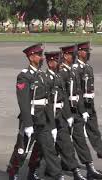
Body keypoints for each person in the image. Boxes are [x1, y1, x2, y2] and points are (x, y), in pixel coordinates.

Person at [7, 44, 64, 180]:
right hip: (31, 119)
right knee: (22, 151)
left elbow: (47, 101)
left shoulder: (43, 76)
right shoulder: (24, 76)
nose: (42, 58)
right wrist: (27, 124)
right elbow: (23, 102)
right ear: (31, 57)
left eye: (41, 55)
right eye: (39, 55)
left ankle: (54, 175)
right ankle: (13, 173)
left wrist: (52, 125)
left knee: (47, 149)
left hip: (43, 120)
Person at [59, 44, 102, 179]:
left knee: (80, 138)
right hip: (66, 111)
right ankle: (39, 168)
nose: (74, 56)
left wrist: (83, 110)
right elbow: (65, 95)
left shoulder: (79, 69)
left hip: (81, 107)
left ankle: (89, 167)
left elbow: (78, 92)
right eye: (72, 54)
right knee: (58, 141)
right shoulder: (66, 71)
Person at [44, 51, 86, 180]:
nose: (54, 63)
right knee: (42, 147)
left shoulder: (59, 77)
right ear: (47, 62)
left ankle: (74, 171)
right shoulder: (43, 77)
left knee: (66, 144)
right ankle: (21, 169)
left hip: (60, 115)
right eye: (51, 61)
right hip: (47, 116)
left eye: (56, 60)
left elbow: (64, 99)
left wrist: (68, 116)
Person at [76, 42, 102, 158]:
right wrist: (82, 109)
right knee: (73, 134)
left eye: (88, 51)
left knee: (94, 131)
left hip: (89, 105)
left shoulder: (88, 67)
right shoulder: (75, 69)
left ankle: (100, 152)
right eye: (86, 51)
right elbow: (77, 91)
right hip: (77, 107)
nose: (88, 53)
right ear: (79, 52)